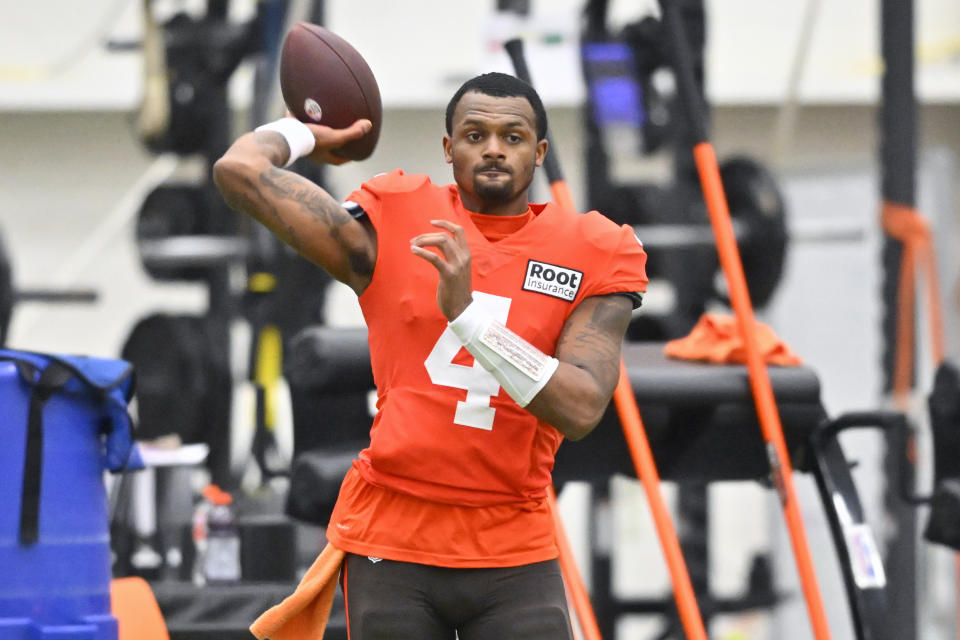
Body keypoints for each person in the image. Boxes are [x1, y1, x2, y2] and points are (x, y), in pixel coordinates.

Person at [214, 71, 648, 640]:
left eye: (512, 137)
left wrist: (468, 317)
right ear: (448, 148)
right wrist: (305, 131)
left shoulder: (595, 248)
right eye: (474, 134)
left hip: (512, 542)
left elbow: (582, 407)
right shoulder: (397, 216)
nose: (493, 148)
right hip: (394, 538)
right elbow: (239, 172)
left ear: (540, 152)